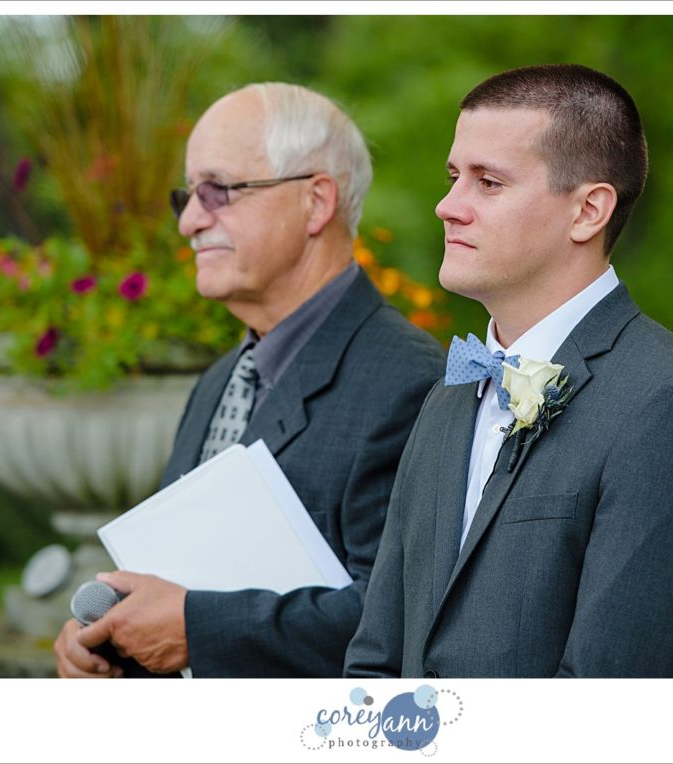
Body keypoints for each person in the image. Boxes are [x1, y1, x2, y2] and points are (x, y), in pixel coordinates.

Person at [344, 64, 673, 678]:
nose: (447, 206)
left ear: (588, 211)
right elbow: (377, 658)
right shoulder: (448, 397)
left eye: (488, 183)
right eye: (455, 177)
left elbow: (612, 700)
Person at [53, 82, 445, 678]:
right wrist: (113, 643)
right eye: (186, 195)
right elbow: (179, 585)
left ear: (316, 203)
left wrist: (195, 629)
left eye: (217, 190)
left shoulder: (410, 382)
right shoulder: (217, 382)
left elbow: (402, 619)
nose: (188, 221)